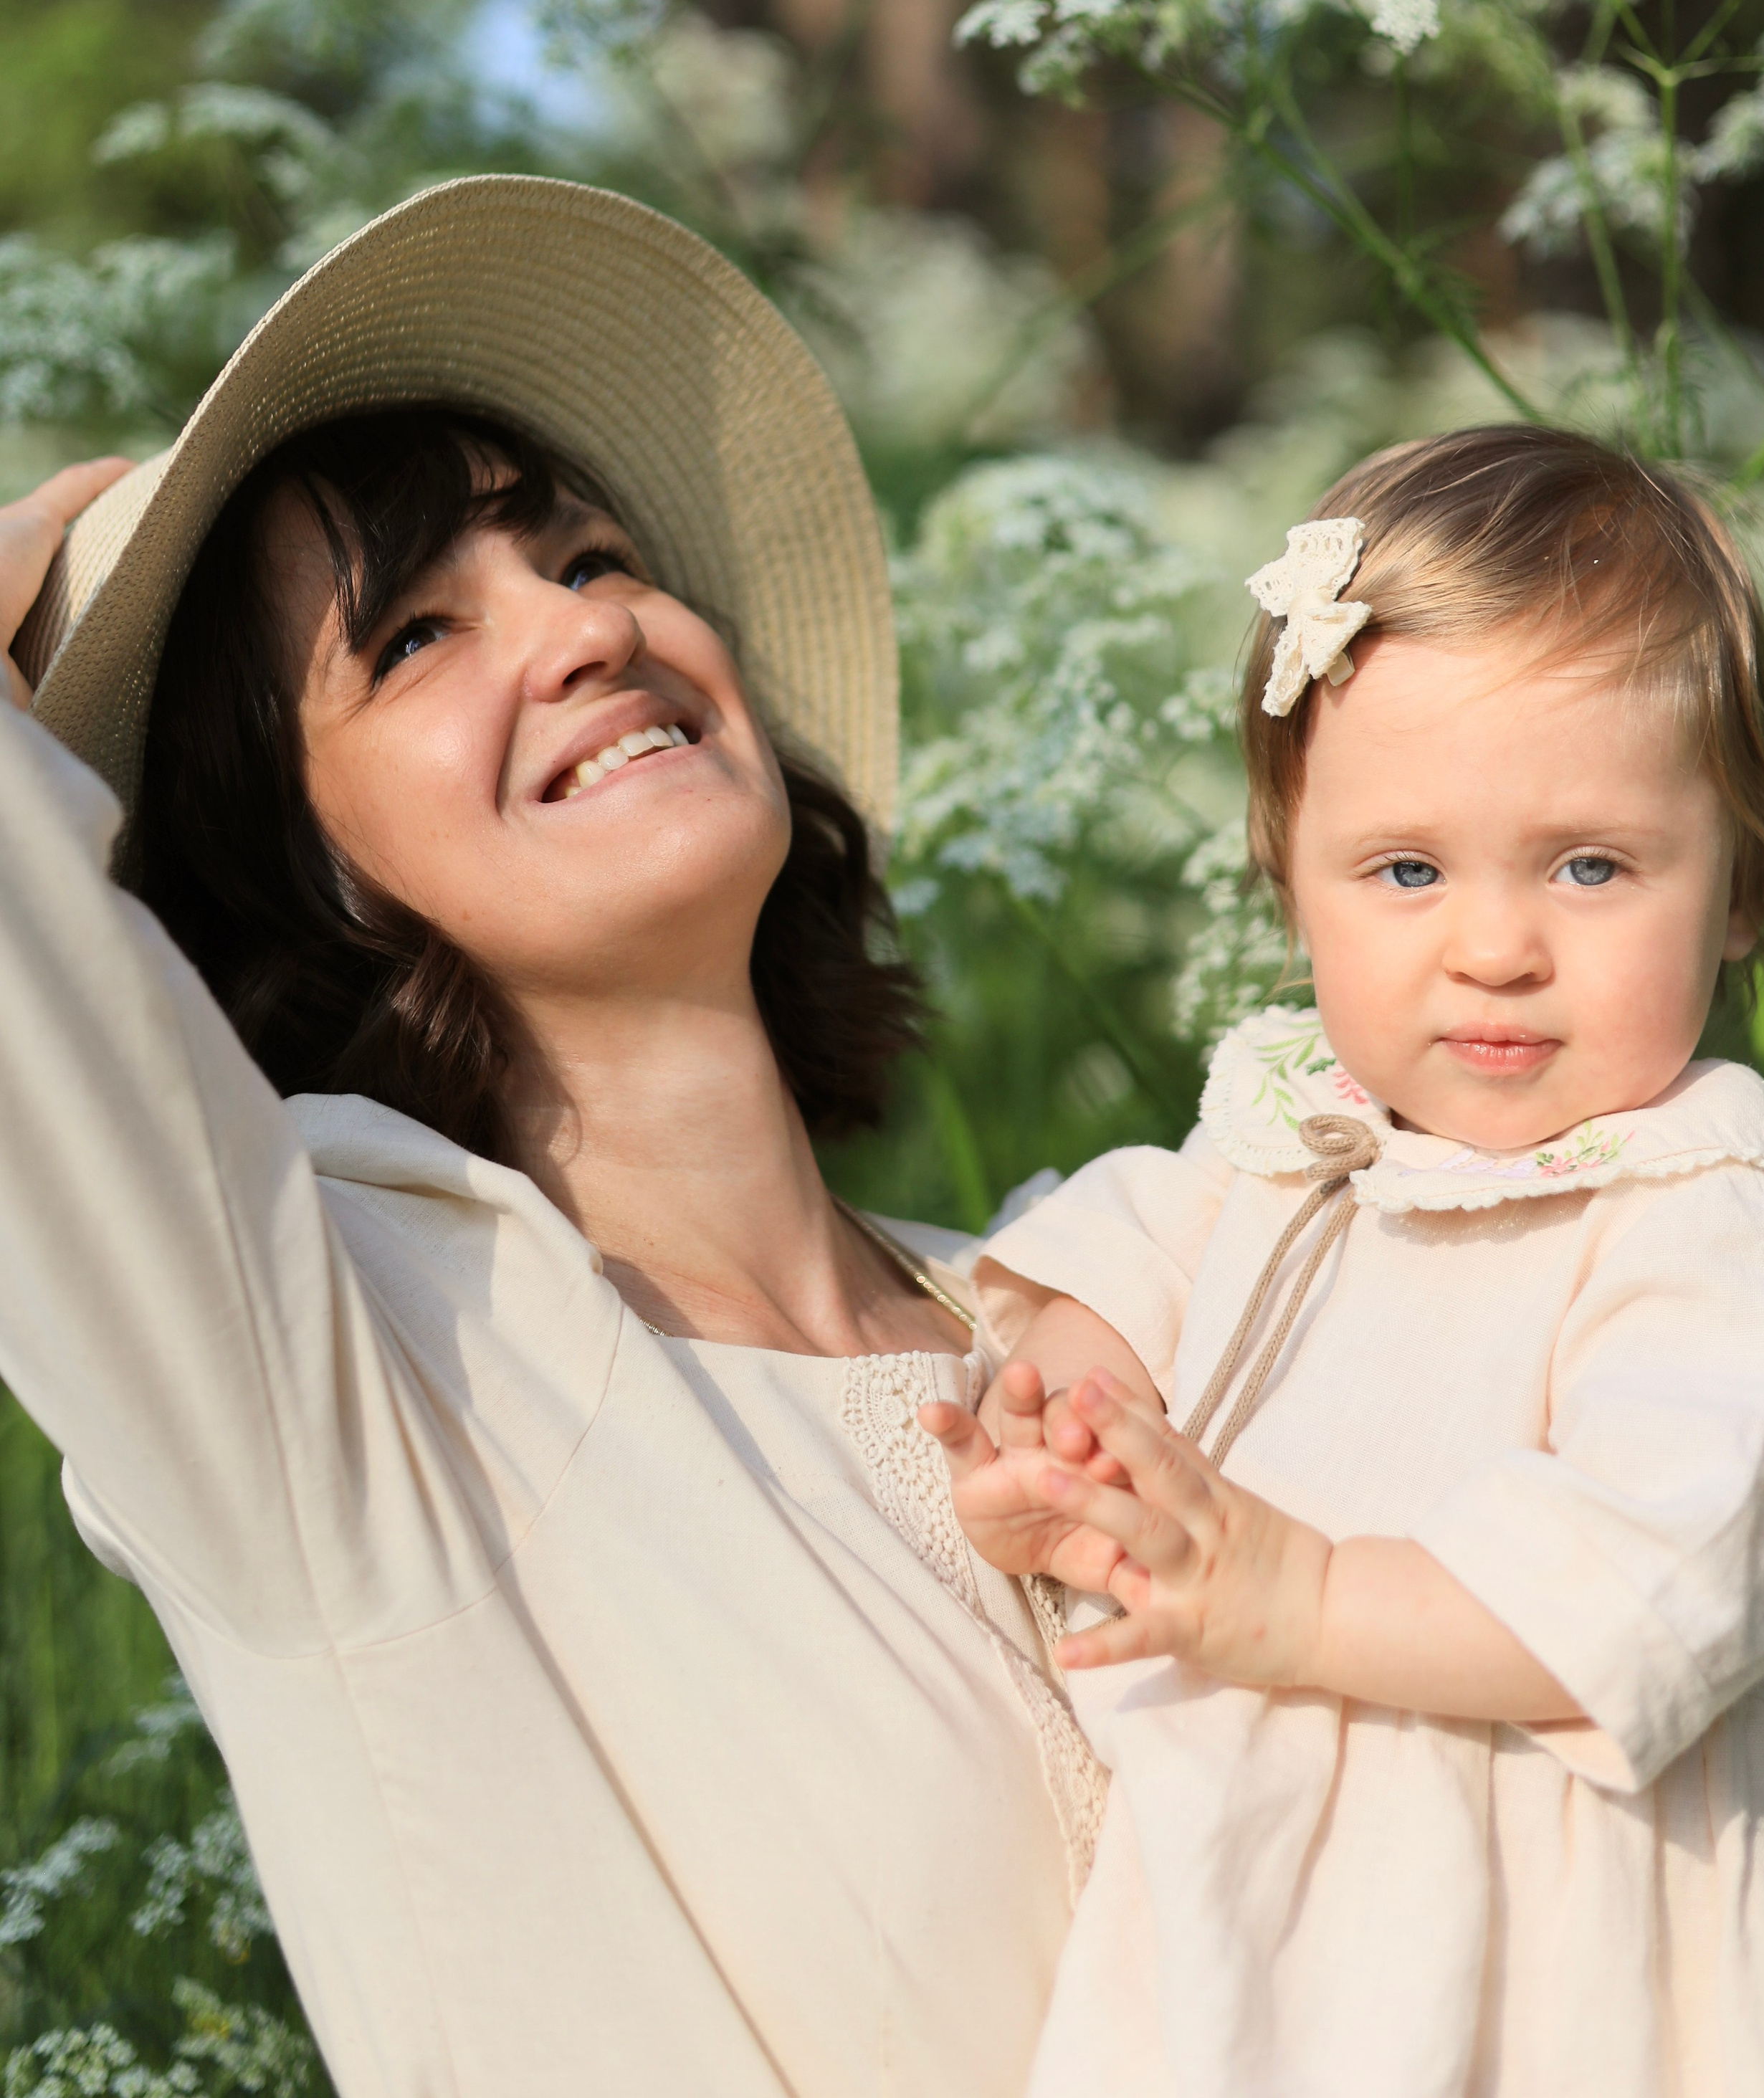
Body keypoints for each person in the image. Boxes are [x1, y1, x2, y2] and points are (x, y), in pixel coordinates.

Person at [0, 175, 1102, 2098]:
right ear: (299, 868)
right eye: (416, 636)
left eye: (588, 556)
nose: (586, 633)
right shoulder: (353, 1390)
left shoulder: (1105, 1286)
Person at [922, 426, 1764, 2097]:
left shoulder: (1703, 1222)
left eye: (1589, 865)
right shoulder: (1292, 1130)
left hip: (1558, 1991)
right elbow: (1115, 1254)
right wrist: (1081, 1440)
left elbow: (1658, 1572)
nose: (1491, 947)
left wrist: (1302, 1594)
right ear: (1291, 882)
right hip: (1247, 1944)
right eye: (1404, 870)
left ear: (1737, 888)